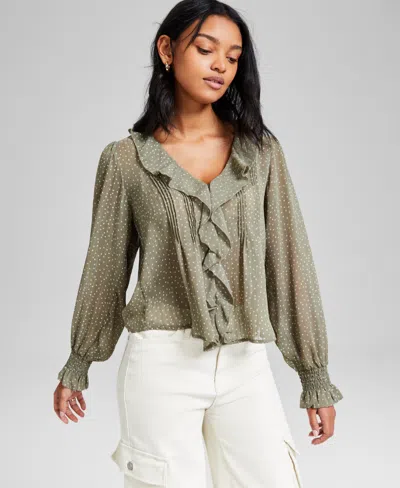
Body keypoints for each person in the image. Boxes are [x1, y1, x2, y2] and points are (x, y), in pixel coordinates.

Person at [54, 1, 343, 486]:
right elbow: (104, 269)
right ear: (167, 50)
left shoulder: (261, 154)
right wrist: (78, 361)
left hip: (246, 364)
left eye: (232, 57)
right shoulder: (126, 161)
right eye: (206, 49)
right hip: (160, 364)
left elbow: (290, 263)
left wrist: (314, 375)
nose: (220, 66)